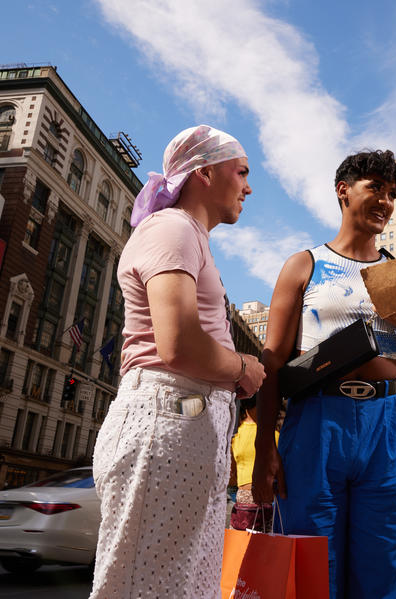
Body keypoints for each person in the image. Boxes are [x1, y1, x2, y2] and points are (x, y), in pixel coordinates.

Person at [89, 125, 266, 599]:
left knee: (184, 587)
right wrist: (242, 368)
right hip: (164, 425)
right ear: (205, 171)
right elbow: (179, 344)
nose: (249, 186)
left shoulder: (189, 236)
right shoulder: (171, 228)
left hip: (187, 429)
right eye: (242, 171)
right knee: (144, 588)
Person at [252, 150, 396, 599]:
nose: (385, 202)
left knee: (387, 565)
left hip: (386, 423)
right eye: (375, 188)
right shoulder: (304, 264)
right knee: (312, 564)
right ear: (343, 190)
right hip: (316, 421)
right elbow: (272, 361)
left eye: (391, 194)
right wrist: (263, 449)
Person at [229, 396, 271, 531]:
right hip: (267, 499)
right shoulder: (274, 435)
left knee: (241, 545)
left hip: (242, 498)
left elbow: (231, 478)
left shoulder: (235, 436)